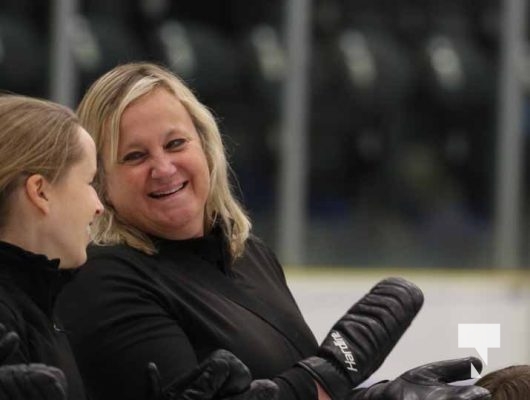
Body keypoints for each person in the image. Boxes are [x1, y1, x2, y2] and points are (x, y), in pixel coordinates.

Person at [55, 62, 490, 400]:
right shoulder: (103, 278)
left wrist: (381, 395)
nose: (163, 168)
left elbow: (293, 385)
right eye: (134, 156)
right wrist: (332, 373)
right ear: (102, 182)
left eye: (175, 144)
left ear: (206, 148)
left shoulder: (250, 255)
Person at [0, 94, 279, 400]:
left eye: (176, 144)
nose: (98, 205)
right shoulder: (19, 312)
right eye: (89, 182)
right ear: (40, 192)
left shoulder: (39, 304)